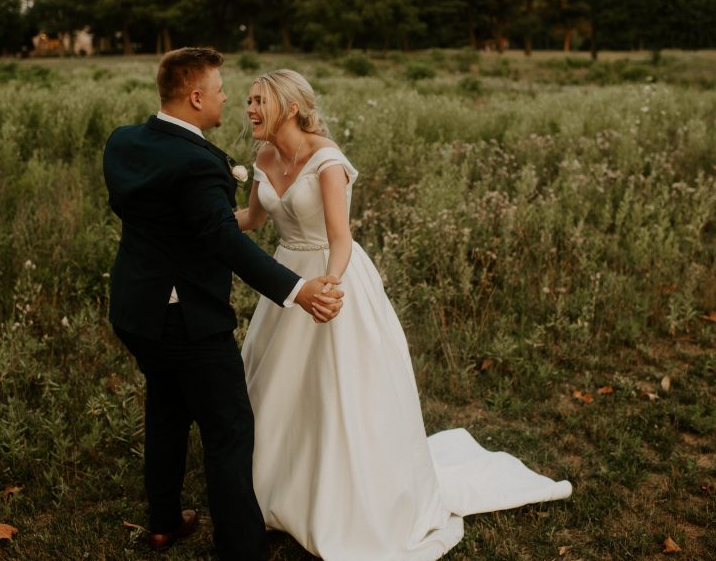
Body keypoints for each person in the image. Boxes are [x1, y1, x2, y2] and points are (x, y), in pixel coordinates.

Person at [237, 69, 573, 560]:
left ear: (289, 107)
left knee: (337, 388)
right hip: (286, 279)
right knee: (278, 385)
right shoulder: (265, 157)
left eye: (258, 101)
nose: (249, 109)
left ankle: (344, 494)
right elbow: (252, 219)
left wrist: (329, 285)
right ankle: (275, 487)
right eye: (247, 100)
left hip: (332, 275)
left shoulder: (326, 160)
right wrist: (201, 219)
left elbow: (340, 238)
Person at [102, 49, 344, 561]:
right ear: (195, 97)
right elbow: (224, 240)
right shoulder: (199, 163)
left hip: (133, 309)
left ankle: (164, 522)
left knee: (166, 408)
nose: (228, 99)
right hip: (185, 318)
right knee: (228, 429)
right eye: (219, 90)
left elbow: (141, 209)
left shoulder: (123, 142)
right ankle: (242, 549)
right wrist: (298, 290)